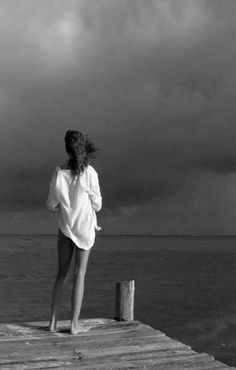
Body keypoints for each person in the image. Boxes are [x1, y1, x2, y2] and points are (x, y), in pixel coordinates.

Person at [46, 130, 102, 334]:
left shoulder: (59, 171)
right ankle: (74, 325)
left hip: (66, 227)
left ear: (67, 149)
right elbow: (98, 204)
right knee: (80, 274)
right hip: (85, 228)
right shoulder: (90, 173)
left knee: (61, 274)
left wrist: (63, 204)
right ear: (83, 148)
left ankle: (52, 324)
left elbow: (51, 204)